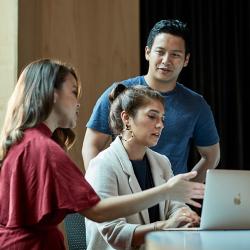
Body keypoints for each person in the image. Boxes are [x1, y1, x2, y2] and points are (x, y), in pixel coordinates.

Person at [0, 59, 204, 250]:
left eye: (162, 118)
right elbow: (98, 211)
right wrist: (165, 193)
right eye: (73, 92)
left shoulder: (25, 142)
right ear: (52, 94)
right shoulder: (45, 149)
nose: (78, 103)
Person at [83, 19, 220, 182]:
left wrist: (184, 191)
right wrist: (102, 185)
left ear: (186, 60)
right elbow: (92, 144)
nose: (166, 60)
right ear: (148, 52)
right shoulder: (120, 93)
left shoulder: (196, 105)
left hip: (169, 203)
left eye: (175, 54)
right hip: (125, 196)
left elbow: (211, 156)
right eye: (160, 52)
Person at [85, 83, 200, 250]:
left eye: (162, 118)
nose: (160, 125)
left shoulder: (162, 162)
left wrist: (184, 217)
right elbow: (115, 233)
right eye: (152, 117)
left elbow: (175, 206)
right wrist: (164, 226)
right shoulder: (102, 165)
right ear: (126, 118)